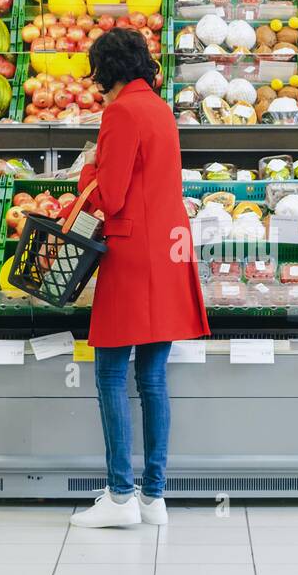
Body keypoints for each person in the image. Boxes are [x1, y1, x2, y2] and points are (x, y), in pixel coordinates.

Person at [66, 28, 209, 529]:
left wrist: (87, 170)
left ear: (106, 70)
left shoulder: (121, 112)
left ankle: (120, 497)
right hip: (169, 252)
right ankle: (153, 497)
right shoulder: (161, 110)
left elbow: (112, 196)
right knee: (151, 377)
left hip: (133, 257)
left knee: (109, 373)